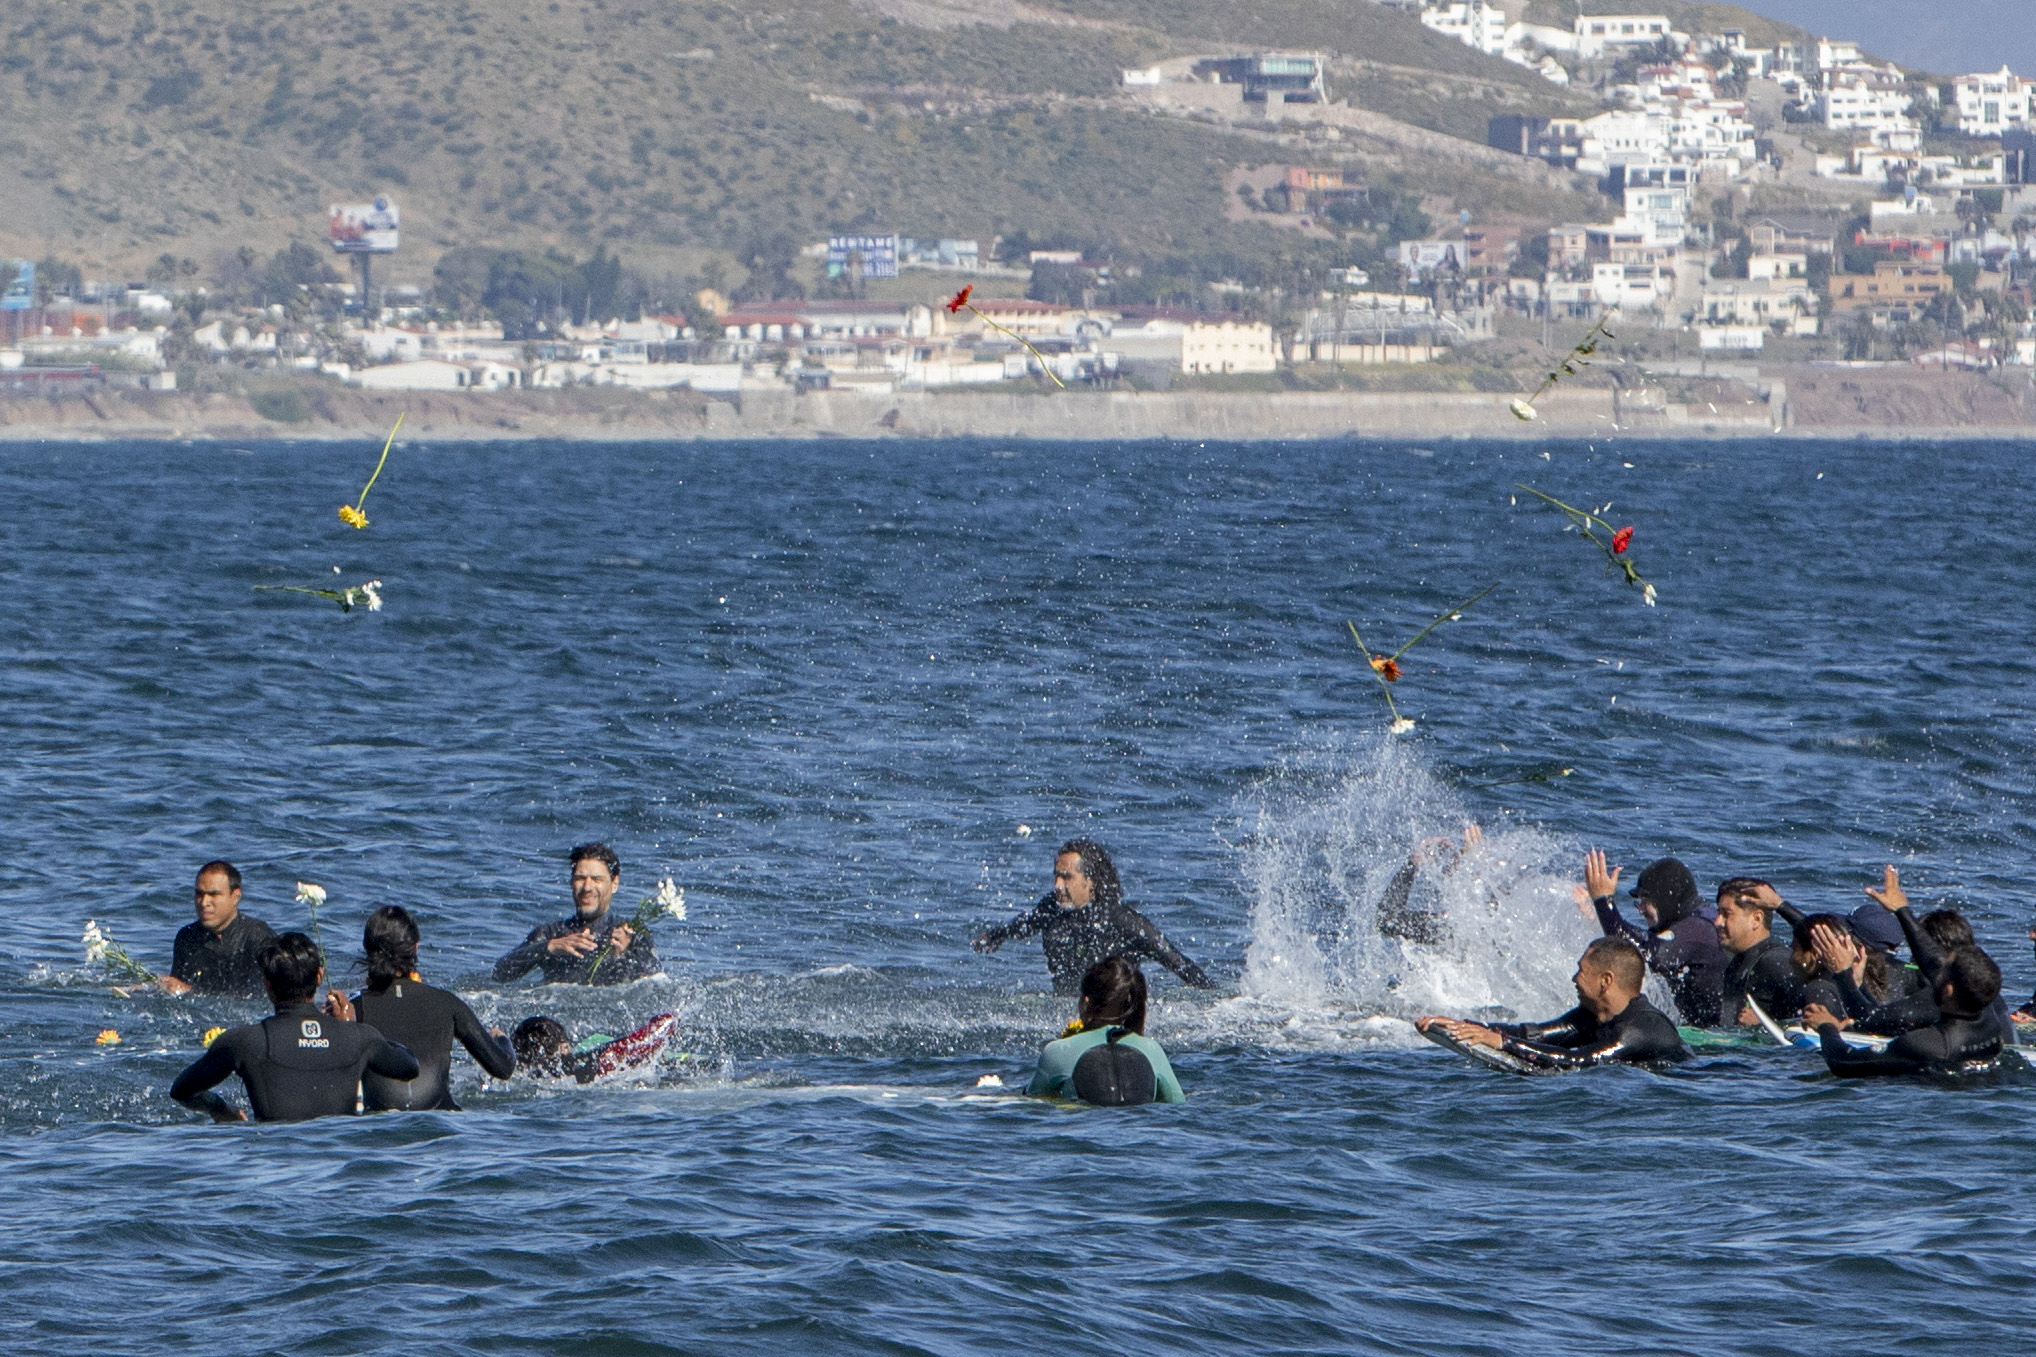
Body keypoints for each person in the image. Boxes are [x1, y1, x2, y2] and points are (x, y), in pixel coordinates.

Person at [168, 932, 419, 1123]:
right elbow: (409, 1066)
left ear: (267, 984)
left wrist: (220, 1110)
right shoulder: (360, 1037)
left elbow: (181, 1090)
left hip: (274, 1161)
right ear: (319, 976)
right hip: (340, 1161)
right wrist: (350, 1027)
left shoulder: (243, 1042)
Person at [974, 839, 1215, 995]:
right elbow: (1025, 924)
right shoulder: (1051, 909)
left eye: (1066, 877)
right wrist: (997, 935)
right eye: (1056, 876)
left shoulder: (1122, 921)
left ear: (1091, 882)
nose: (1057, 885)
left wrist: (1215, 999)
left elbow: (1178, 962)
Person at [337, 906, 515, 1111]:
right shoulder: (447, 1002)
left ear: (368, 950)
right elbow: (503, 1067)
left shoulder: (351, 1010)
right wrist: (501, 1039)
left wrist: (340, 1025)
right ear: (415, 948)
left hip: (378, 1124)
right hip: (443, 1125)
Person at [1416, 936, 1687, 1070]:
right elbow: (1534, 1033)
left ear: (1606, 981)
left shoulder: (1641, 1029)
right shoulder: (1591, 1016)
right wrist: (1463, 1025)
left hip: (1694, 1083)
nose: (1574, 978)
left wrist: (1501, 1044)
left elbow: (1578, 1061)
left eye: (1581, 971)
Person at [1579, 851, 1725, 1026]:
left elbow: (1649, 954)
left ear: (1664, 899)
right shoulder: (1688, 923)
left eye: (1644, 901)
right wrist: (1598, 918)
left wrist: (1603, 902)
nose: (1640, 910)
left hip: (1715, 1035)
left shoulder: (1699, 927)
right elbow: (1645, 942)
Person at [1808, 948, 2005, 1077]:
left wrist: (1827, 1027)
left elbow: (1843, 1062)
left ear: (1948, 991)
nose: (1934, 975)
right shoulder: (1989, 1020)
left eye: (1942, 972)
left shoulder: (1924, 1044)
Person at [1026, 957, 1186, 1105]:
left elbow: (1034, 1101)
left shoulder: (1058, 1051)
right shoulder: (1153, 1050)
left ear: (1085, 1002)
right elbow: (1177, 1102)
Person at [493, 843, 659, 986]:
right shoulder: (551, 934)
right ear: (571, 883)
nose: (587, 887)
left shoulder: (632, 934)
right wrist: (548, 948)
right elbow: (500, 974)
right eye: (580, 878)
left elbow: (656, 982)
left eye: (596, 879)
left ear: (614, 884)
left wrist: (623, 955)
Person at [161, 860, 277, 997]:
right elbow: (177, 992)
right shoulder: (186, 937)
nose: (204, 902)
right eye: (199, 894)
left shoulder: (258, 937)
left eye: (214, 895)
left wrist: (192, 992)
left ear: (235, 896)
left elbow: (265, 997)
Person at [1714, 878, 1806, 1027]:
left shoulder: (1777, 962)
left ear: (1756, 919)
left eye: (1726, 914)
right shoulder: (1736, 962)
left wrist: (1763, 1025)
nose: (1717, 922)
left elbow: (1816, 1018)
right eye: (1718, 913)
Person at [1376, 825, 1482, 945]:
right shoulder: (1448, 928)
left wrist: (1411, 865)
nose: (1448, 868)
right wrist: (1413, 863)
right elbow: (1386, 921)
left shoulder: (1455, 930)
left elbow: (1386, 921)